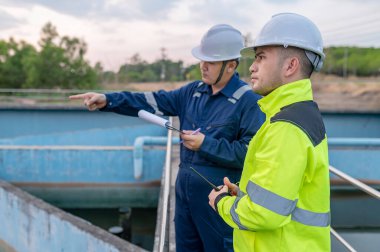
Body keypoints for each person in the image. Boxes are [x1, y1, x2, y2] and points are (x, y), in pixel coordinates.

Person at [70, 24, 264, 251]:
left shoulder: (249, 101)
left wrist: (205, 144)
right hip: (185, 201)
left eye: (210, 62)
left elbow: (250, 154)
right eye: (202, 60)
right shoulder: (193, 92)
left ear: (231, 65)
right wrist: (108, 99)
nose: (203, 66)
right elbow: (150, 101)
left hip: (218, 205)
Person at [208, 13, 331, 251]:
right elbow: (284, 192)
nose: (252, 67)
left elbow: (263, 214)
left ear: (290, 65)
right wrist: (242, 195)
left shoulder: (286, 127)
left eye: (261, 57)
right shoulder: (298, 114)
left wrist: (221, 202)